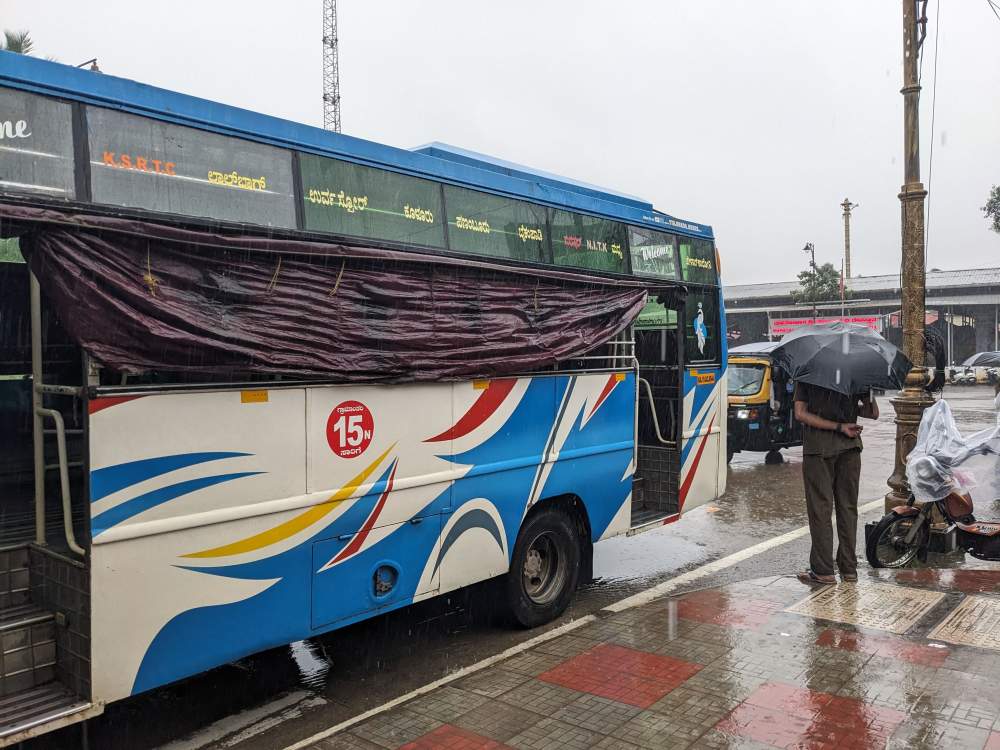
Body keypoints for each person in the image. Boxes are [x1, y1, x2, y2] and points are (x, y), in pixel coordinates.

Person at [793, 382, 879, 584]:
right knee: (848, 509)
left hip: (818, 448)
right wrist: (861, 399)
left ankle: (823, 571)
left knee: (820, 509)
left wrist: (837, 426)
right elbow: (872, 412)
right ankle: (849, 569)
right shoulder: (857, 374)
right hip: (850, 448)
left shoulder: (808, 371)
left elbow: (800, 413)